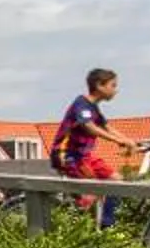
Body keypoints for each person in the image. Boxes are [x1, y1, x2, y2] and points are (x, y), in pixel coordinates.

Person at [53, 67, 141, 224]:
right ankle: (77, 227)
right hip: (68, 155)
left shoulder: (93, 107)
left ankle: (106, 223)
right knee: (92, 192)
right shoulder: (81, 104)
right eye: (113, 85)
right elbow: (90, 127)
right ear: (100, 85)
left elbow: (107, 127)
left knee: (116, 181)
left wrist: (129, 141)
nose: (116, 90)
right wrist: (119, 141)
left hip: (84, 156)